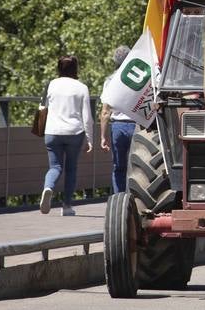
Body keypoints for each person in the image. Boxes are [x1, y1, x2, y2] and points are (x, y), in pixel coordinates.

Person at [41, 55, 93, 216]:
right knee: (71, 169)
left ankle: (48, 187)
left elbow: (42, 108)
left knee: (55, 167)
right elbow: (87, 116)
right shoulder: (81, 87)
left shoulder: (50, 85)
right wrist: (90, 139)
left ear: (59, 68)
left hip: (52, 132)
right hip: (74, 132)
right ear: (75, 69)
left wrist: (40, 129)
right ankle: (67, 206)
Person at [98, 45, 135, 195]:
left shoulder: (110, 80)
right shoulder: (139, 77)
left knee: (118, 167)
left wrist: (102, 136)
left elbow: (105, 111)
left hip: (118, 127)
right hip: (137, 126)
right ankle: (135, 199)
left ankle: (119, 199)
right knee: (137, 167)